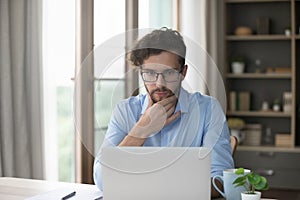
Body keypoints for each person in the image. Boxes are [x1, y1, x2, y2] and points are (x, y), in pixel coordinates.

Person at [93, 27, 234, 198]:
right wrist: (141, 130)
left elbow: (220, 179)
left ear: (183, 73)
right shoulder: (125, 111)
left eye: (169, 73)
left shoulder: (209, 110)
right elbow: (102, 180)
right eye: (150, 73)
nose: (160, 83)